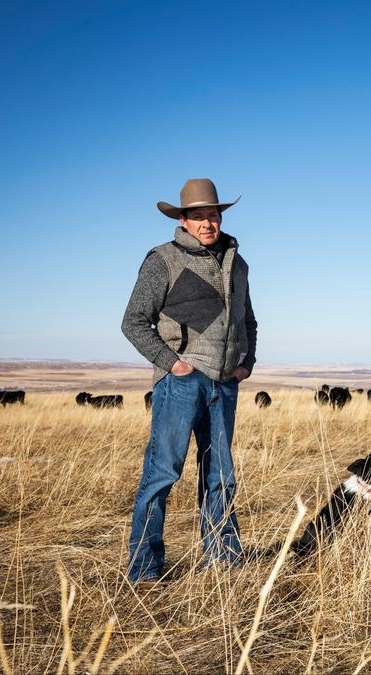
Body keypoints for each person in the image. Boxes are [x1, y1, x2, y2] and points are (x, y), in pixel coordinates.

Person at [122, 178, 258, 584]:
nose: (207, 223)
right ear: (183, 220)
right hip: (181, 382)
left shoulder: (237, 261)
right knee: (163, 472)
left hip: (224, 382)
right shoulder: (163, 260)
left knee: (221, 474)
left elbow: (247, 319)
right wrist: (172, 363)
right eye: (198, 216)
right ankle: (144, 568)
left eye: (212, 215)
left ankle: (223, 559)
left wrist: (246, 362)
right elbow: (133, 323)